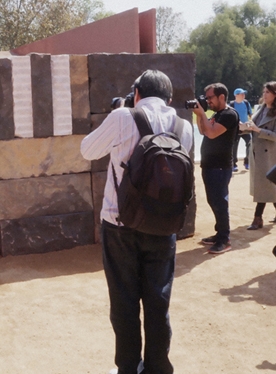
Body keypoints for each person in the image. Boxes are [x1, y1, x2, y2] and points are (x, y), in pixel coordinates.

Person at [80, 70, 193, 374]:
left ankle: (129, 367)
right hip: (164, 226)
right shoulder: (184, 126)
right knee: (158, 300)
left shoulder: (122, 117)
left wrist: (118, 113)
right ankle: (159, 367)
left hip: (120, 224)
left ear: (137, 94)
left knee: (124, 300)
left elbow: (87, 150)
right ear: (169, 98)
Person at [192, 83, 239, 254]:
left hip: (220, 167)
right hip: (210, 165)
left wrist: (202, 113)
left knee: (220, 202)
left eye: (210, 98)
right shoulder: (217, 114)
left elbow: (212, 133)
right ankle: (219, 233)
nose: (208, 101)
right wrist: (199, 114)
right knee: (213, 201)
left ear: (221, 97)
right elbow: (203, 130)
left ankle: (224, 239)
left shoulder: (229, 114)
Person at [242, 82, 276, 229]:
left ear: (275, 94)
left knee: (264, 184)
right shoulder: (260, 109)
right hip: (257, 151)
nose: (264, 94)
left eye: (267, 92)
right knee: (267, 184)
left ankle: (258, 218)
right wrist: (245, 127)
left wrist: (257, 130)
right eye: (264, 91)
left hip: (270, 154)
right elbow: (254, 127)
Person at [230, 88, 252, 171]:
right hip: (236, 129)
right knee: (234, 146)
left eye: (244, 94)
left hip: (246, 128)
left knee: (250, 143)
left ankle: (247, 162)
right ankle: (234, 164)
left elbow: (251, 115)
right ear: (236, 95)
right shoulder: (232, 104)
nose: (243, 96)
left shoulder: (246, 103)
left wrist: (250, 122)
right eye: (241, 94)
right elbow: (230, 116)